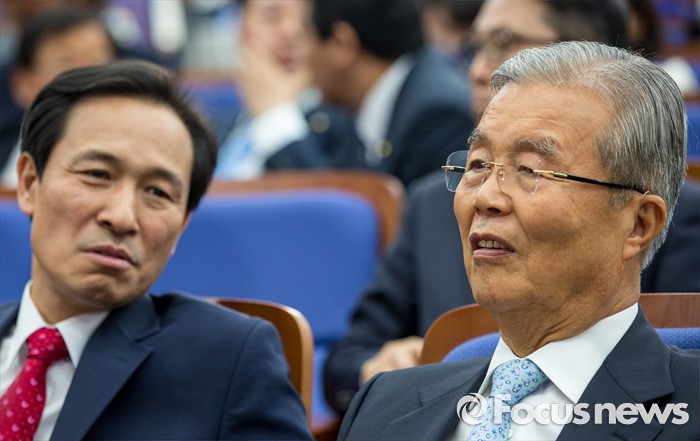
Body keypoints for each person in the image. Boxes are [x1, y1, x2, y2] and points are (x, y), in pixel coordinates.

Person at [338, 40, 699, 440]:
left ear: (638, 225)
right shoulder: (384, 404)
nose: (486, 197)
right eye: (478, 164)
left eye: (531, 170)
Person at [324, 0, 635, 414]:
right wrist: (378, 369)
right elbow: (347, 360)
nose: (475, 70)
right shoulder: (435, 201)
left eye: (503, 42)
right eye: (477, 165)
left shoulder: (648, 207)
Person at [0, 60, 311, 440]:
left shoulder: (228, 361)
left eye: (157, 193)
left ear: (182, 226)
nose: (122, 217)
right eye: (97, 174)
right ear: (29, 183)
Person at [256, 0, 474, 186]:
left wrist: (275, 120)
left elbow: (353, 214)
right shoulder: (358, 103)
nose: (305, 56)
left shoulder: (439, 116)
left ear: (341, 44)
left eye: (307, 36)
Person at [0, 8, 116, 187]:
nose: (84, 78)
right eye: (65, 63)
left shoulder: (131, 153)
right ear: (22, 82)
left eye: (97, 63)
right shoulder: (4, 137)